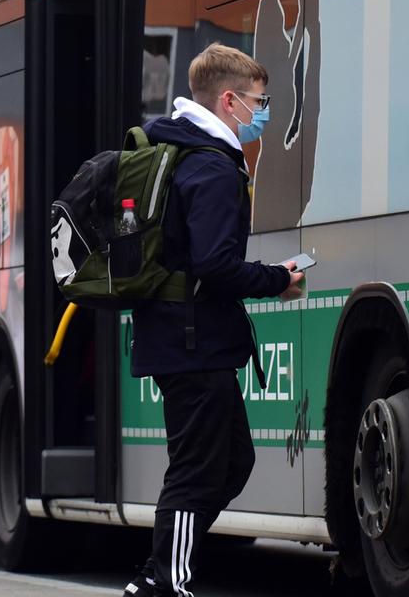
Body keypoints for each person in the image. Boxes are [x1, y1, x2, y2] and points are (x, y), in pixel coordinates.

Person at [124, 44, 305, 597]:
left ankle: (161, 571)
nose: (264, 111)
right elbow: (215, 264)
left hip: (185, 336)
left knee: (232, 461)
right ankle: (167, 579)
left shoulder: (180, 149)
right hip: (192, 340)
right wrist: (279, 278)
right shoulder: (210, 166)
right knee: (198, 469)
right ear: (229, 100)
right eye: (259, 101)